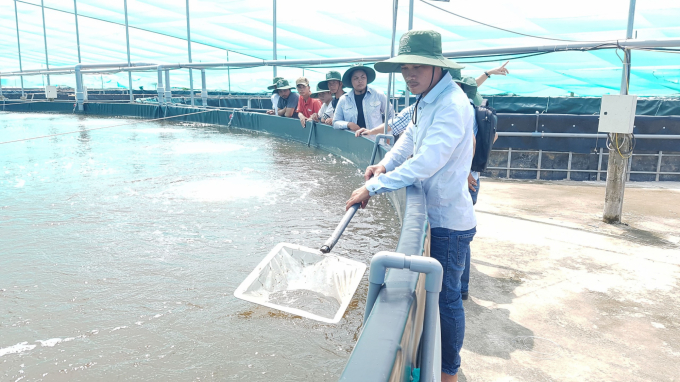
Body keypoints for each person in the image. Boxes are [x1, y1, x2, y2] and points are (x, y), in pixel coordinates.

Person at [345, 30, 475, 382]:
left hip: (448, 219)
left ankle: (449, 373)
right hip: (437, 212)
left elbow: (427, 161)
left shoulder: (451, 104)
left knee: (447, 301)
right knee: (443, 297)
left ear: (438, 67)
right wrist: (385, 164)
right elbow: (410, 138)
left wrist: (374, 185)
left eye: (418, 66)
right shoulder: (428, 99)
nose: (410, 74)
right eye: (405, 68)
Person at [332, 64, 394, 132]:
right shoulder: (344, 99)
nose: (360, 81)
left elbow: (391, 116)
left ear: (367, 78)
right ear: (351, 81)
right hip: (352, 140)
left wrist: (387, 134)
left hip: (375, 140)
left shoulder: (378, 95)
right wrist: (348, 124)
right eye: (356, 78)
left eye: (363, 77)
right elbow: (335, 122)